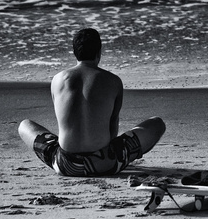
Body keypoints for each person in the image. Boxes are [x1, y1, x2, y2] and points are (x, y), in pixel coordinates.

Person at [18, 28, 166, 177]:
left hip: (66, 165)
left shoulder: (57, 79)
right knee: (157, 123)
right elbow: (112, 129)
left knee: (25, 125)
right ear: (99, 52)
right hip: (105, 164)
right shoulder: (113, 81)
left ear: (74, 52)